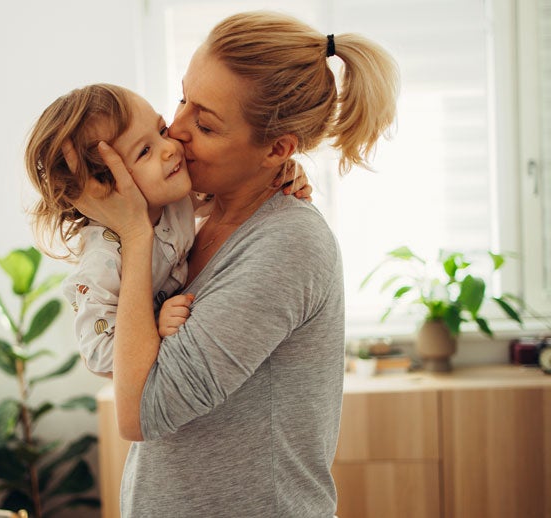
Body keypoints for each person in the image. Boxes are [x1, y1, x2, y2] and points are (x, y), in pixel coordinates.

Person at [69, 10, 399, 517]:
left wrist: (133, 233)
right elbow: (129, 356)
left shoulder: (287, 244)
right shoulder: (190, 219)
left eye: (204, 123)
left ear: (278, 149)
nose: (175, 132)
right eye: (182, 99)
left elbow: (140, 412)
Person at [25, 83, 315, 376]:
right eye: (145, 151)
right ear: (101, 186)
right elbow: (98, 355)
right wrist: (154, 327)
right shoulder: (103, 260)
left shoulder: (174, 200)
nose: (170, 148)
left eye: (161, 130)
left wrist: (278, 171)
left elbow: (231, 188)